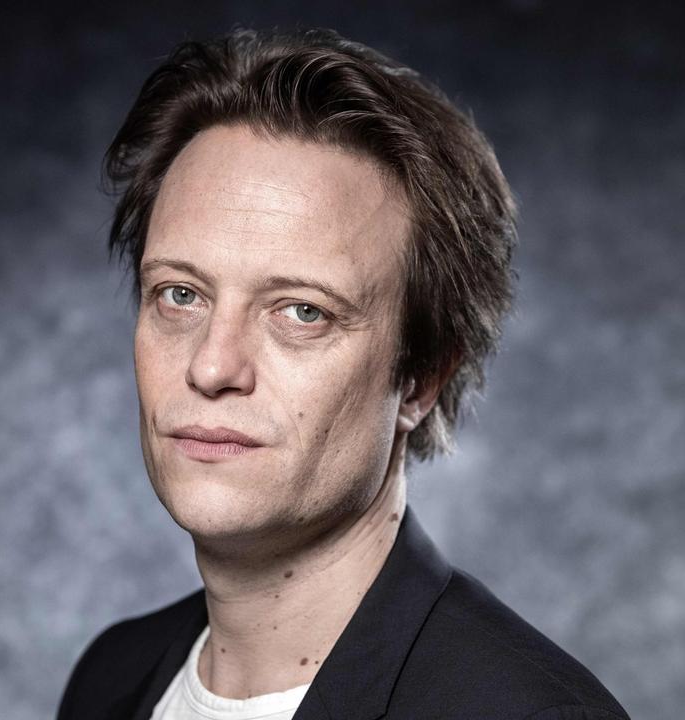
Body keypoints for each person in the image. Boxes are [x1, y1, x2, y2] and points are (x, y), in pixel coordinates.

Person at [57, 27, 629, 720]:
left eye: (303, 311)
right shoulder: (111, 678)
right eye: (181, 294)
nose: (211, 366)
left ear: (420, 379)